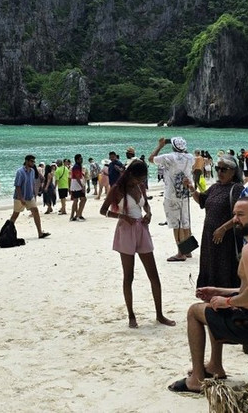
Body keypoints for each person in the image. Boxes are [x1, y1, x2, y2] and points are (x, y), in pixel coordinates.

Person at [168, 197, 248, 394]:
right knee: (214, 306)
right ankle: (215, 365)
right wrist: (218, 292)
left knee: (194, 312)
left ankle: (196, 379)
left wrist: (228, 301)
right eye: (233, 215)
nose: (235, 220)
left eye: (241, 215)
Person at [100, 160, 176, 328]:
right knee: (129, 276)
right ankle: (131, 315)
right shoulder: (117, 189)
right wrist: (121, 216)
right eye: (139, 179)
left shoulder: (140, 187)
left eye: (142, 179)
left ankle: (160, 314)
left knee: (154, 275)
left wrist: (149, 213)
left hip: (141, 228)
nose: (140, 182)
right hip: (126, 230)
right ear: (131, 175)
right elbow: (103, 211)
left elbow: (146, 206)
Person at [195, 153, 244, 290]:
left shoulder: (237, 189)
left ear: (233, 172)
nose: (219, 172)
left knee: (225, 270)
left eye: (224, 169)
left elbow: (241, 214)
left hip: (226, 238)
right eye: (218, 169)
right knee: (210, 266)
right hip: (209, 237)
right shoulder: (215, 187)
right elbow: (202, 201)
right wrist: (192, 189)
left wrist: (223, 229)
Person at [149, 136, 196, 262]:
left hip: (172, 194)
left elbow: (151, 159)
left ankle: (180, 253)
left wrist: (160, 145)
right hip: (185, 193)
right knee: (185, 221)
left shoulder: (168, 157)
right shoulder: (190, 157)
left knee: (176, 224)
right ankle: (188, 250)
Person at [10, 155, 50, 239]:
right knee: (15, 215)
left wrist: (35, 194)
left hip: (30, 196)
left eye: (34, 161)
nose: (33, 163)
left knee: (35, 211)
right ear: (26, 161)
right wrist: (21, 198)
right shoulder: (20, 172)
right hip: (19, 197)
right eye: (31, 161)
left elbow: (32, 184)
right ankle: (7, 232)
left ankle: (40, 233)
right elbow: (17, 186)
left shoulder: (32, 171)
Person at [69, 154, 87, 221]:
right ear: (77, 160)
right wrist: (82, 186)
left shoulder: (78, 166)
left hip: (76, 184)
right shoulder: (76, 166)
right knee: (81, 199)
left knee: (77, 200)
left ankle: (76, 215)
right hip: (76, 185)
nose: (81, 160)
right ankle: (78, 215)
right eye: (80, 159)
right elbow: (77, 177)